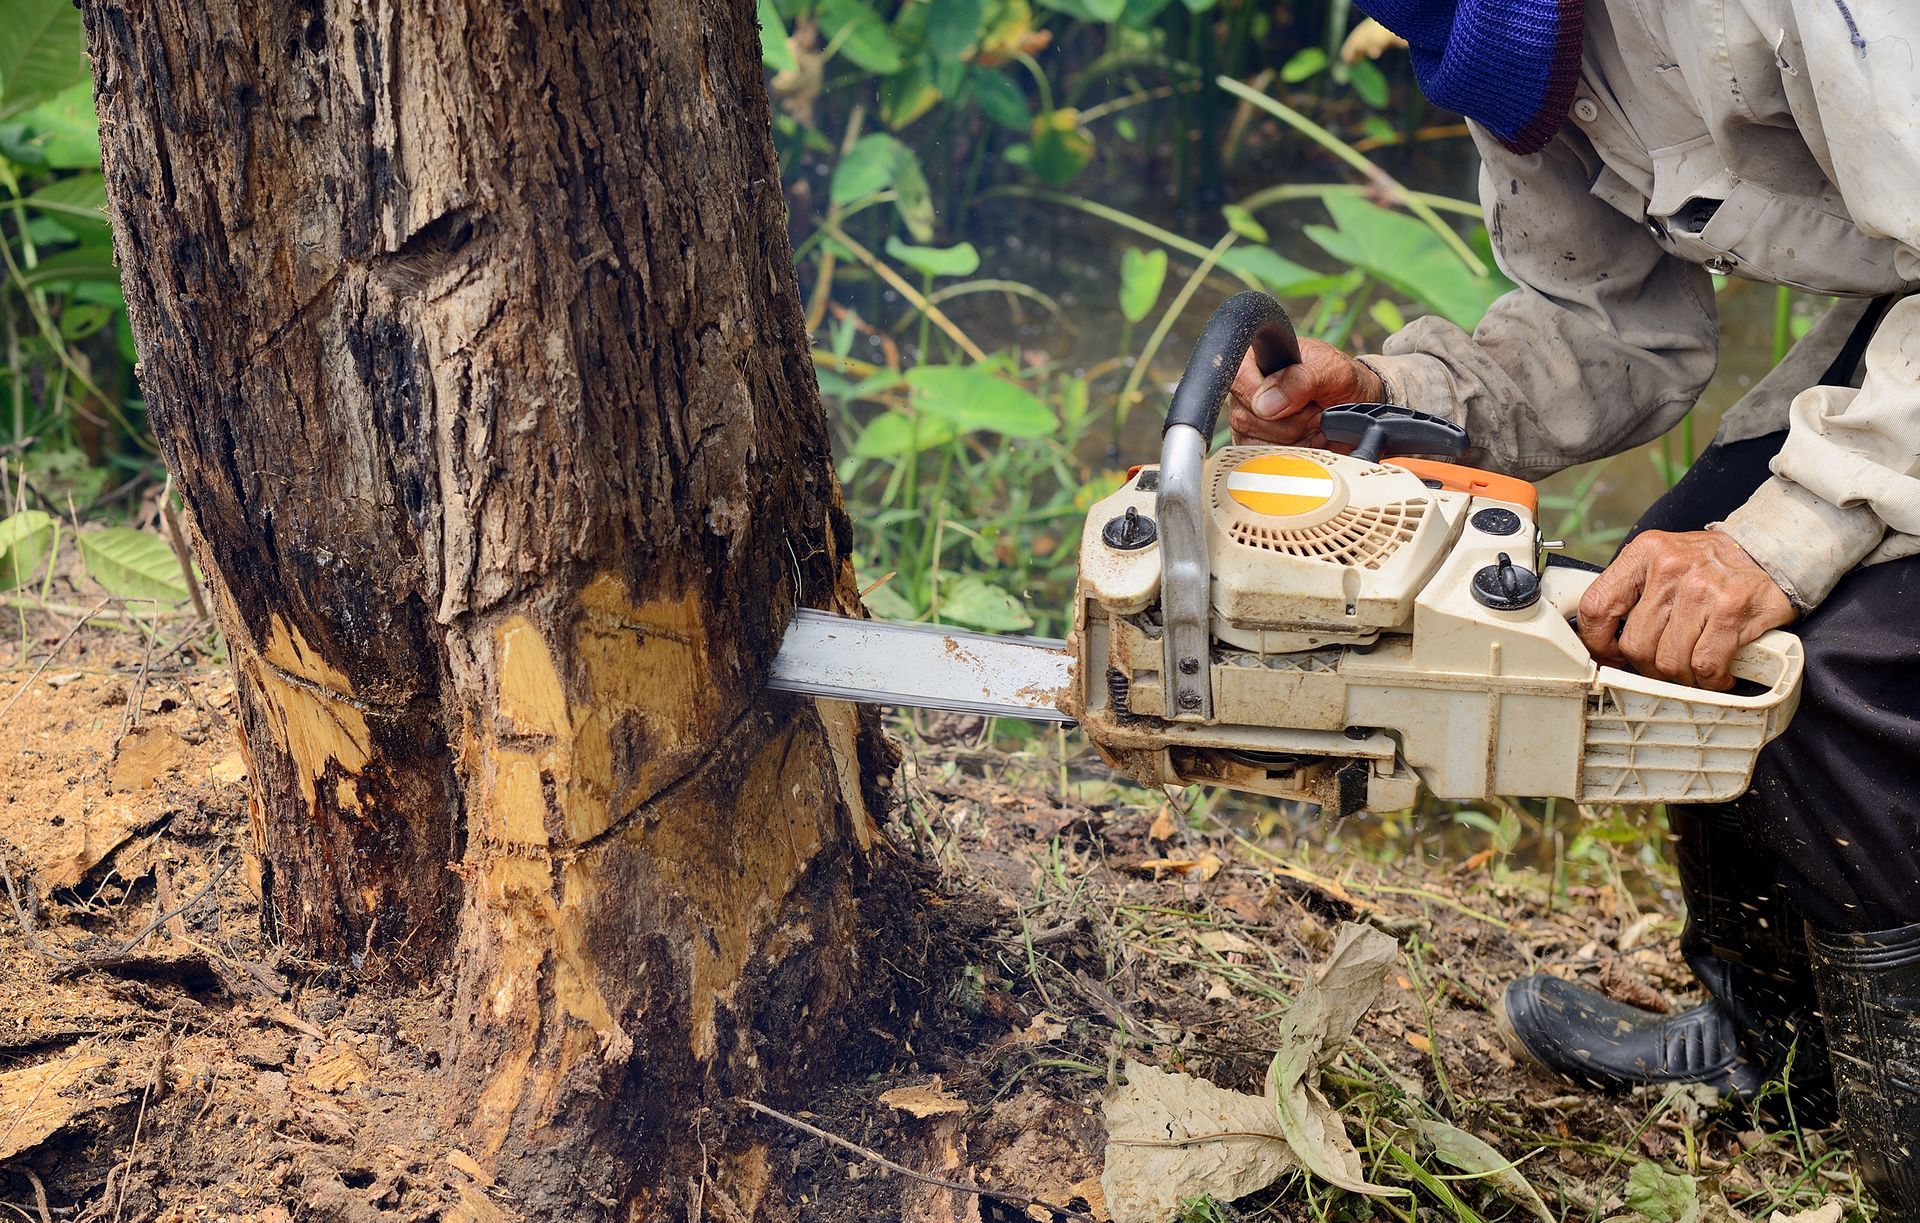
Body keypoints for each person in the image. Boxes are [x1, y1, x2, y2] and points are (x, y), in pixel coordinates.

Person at [1227, 0, 1920, 1210]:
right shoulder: (1500, 48)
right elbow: (1615, 324)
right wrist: (1405, 395)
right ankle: (1777, 1047)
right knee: (1667, 595)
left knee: (1831, 666)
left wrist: (1791, 538)